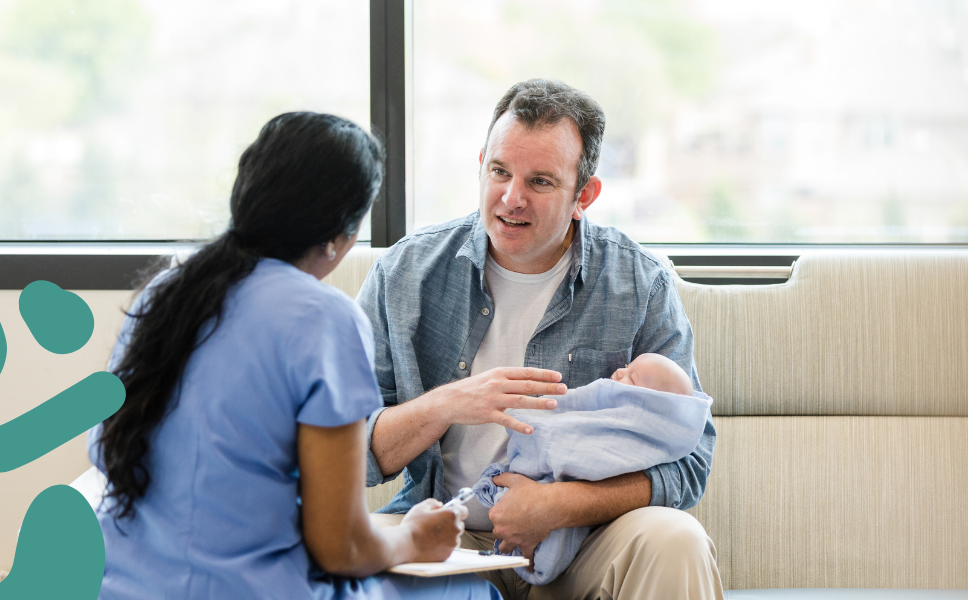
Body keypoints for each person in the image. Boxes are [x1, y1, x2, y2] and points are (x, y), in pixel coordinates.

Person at [87, 112, 501, 600]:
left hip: (114, 585)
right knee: (470, 592)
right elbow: (340, 547)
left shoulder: (165, 293)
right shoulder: (325, 319)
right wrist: (414, 538)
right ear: (338, 235)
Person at [357, 79, 725, 599]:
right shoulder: (404, 275)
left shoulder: (640, 284)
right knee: (347, 552)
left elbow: (691, 461)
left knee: (675, 538)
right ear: (482, 163)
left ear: (584, 195)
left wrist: (562, 506)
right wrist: (445, 405)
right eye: (500, 172)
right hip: (445, 533)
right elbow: (348, 449)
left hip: (584, 541)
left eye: (541, 182)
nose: (512, 198)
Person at [471, 353, 714, 586]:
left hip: (590, 544)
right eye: (627, 367)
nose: (619, 371)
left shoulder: (648, 429)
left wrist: (559, 504)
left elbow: (691, 468)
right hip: (459, 531)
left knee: (678, 537)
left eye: (633, 377)